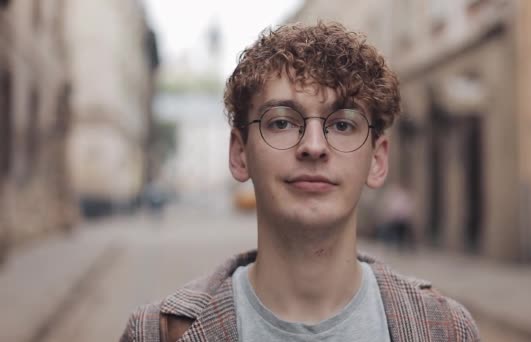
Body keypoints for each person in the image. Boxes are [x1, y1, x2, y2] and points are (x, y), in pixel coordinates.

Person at [120, 22, 480, 342]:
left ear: (378, 159)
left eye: (342, 125)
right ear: (239, 153)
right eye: (281, 122)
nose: (313, 146)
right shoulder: (156, 333)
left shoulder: (446, 330)